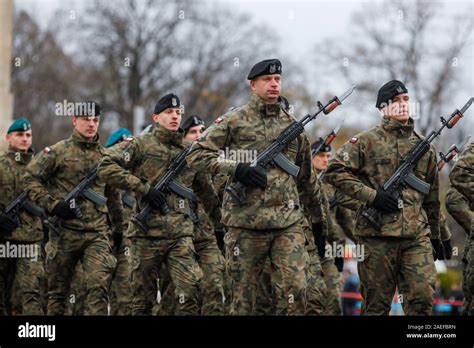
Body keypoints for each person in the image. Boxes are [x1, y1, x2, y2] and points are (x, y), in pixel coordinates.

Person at [186, 59, 326, 315]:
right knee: (243, 300)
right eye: (267, 80)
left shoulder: (292, 126)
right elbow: (196, 155)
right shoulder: (234, 121)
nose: (274, 84)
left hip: (287, 224)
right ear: (253, 85)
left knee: (297, 289)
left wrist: (318, 222)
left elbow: (307, 179)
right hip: (245, 225)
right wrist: (236, 169)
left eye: (278, 80)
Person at [98, 94, 220, 315]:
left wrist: (220, 226)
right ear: (156, 117)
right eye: (168, 113)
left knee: (189, 292)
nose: (174, 116)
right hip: (146, 235)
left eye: (177, 113)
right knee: (142, 301)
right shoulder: (140, 145)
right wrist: (143, 188)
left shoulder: (189, 151)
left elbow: (206, 193)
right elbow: (105, 166)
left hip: (180, 236)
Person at [325, 80, 440, 315]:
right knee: (376, 306)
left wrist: (438, 237)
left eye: (406, 99)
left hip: (416, 237)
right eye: (395, 101)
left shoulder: (424, 148)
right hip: (376, 238)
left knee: (422, 299)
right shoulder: (366, 141)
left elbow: (432, 198)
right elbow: (334, 171)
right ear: (382, 108)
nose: (402, 105)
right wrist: (372, 196)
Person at [23, 103, 122, 315]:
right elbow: (30, 179)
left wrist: (119, 230)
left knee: (98, 287)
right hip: (64, 233)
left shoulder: (106, 157)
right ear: (74, 120)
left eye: (95, 120)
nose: (91, 124)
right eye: (86, 119)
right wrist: (53, 205)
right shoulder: (57, 152)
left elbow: (112, 196)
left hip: (97, 234)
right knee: (58, 293)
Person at [0, 118, 45, 315]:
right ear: (8, 137)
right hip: (3, 240)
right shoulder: (1, 165)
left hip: (31, 240)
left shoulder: (41, 167)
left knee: (31, 291)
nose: (25, 139)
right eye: (20, 135)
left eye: (28, 135)